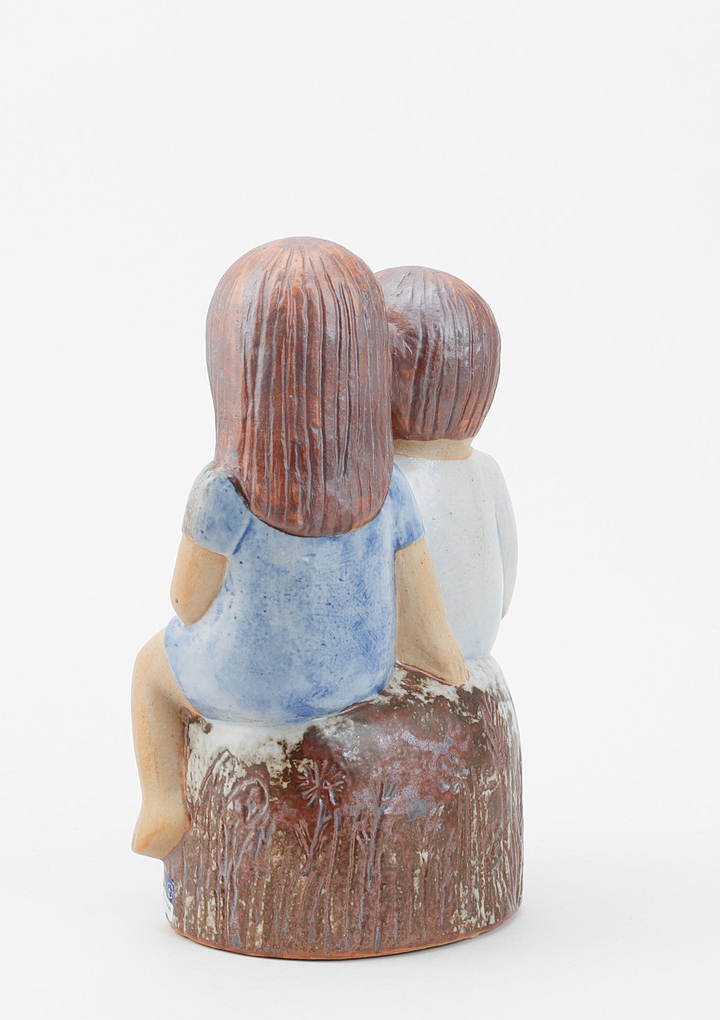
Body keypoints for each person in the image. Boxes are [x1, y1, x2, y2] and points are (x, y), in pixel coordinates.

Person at [132, 238, 466, 861]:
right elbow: (425, 620)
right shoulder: (389, 484)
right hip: (360, 676)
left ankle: (161, 804)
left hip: (250, 685)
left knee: (151, 668)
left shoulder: (223, 492)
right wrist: (452, 669)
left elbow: (186, 603)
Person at [377, 265, 518, 659]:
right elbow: (505, 592)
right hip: (476, 651)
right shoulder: (486, 471)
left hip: (405, 662)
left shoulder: (381, 482)